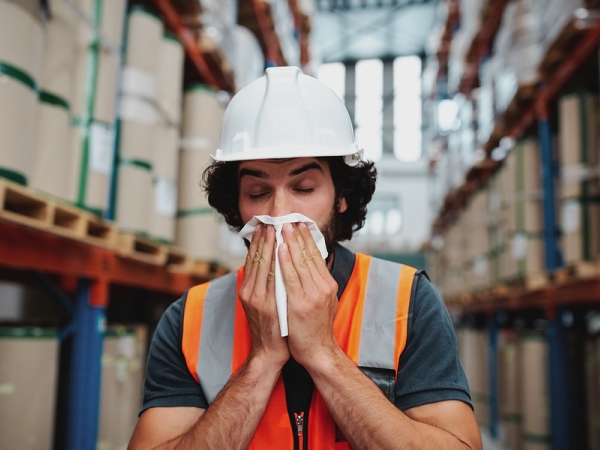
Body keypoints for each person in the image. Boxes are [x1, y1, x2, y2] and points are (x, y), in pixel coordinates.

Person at [129, 66, 481, 449]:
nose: (279, 212)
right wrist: (262, 361)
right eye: (257, 191)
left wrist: (322, 354)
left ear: (342, 197)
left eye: (304, 187)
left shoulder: (407, 302)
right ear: (237, 205)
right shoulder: (190, 319)